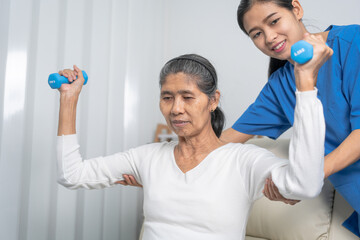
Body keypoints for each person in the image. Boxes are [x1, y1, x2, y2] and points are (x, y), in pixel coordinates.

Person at [56, 53, 327, 239]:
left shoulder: (243, 161)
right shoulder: (148, 157)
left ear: (213, 100)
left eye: (187, 97)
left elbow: (304, 185)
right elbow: (72, 175)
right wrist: (69, 99)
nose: (176, 109)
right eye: (167, 97)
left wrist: (305, 86)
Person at [223, 0, 360, 237]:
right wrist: (158, 165)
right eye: (256, 34)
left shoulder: (352, 42)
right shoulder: (279, 87)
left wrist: (299, 181)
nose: (269, 37)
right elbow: (222, 143)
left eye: (274, 21)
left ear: (296, 9)